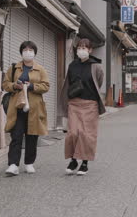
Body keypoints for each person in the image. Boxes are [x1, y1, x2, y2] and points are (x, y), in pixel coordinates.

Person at [59, 39, 106, 175]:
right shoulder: (72, 65)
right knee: (73, 132)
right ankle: (73, 160)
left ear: (90, 50)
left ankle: (84, 163)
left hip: (90, 104)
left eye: (85, 47)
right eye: (79, 47)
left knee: (86, 134)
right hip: (74, 103)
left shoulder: (96, 66)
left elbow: (99, 82)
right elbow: (68, 82)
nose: (81, 50)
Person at [3, 41, 50, 176]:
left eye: (30, 50)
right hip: (17, 107)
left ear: (35, 53)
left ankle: (29, 163)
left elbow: (46, 86)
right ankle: (13, 164)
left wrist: (31, 86)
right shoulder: (13, 68)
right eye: (25, 49)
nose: (28, 52)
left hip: (34, 108)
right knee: (16, 136)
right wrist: (14, 86)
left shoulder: (40, 69)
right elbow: (5, 84)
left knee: (32, 136)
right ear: (21, 52)